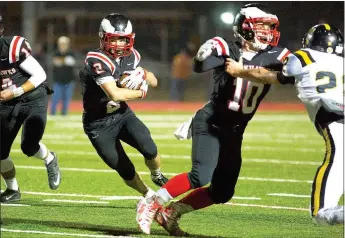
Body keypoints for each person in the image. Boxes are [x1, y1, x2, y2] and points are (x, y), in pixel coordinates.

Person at [136, 4, 291, 235]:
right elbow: (200, 66)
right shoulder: (225, 47)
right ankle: (151, 203)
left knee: (223, 191)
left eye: (269, 28)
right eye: (261, 27)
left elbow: (290, 75)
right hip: (212, 122)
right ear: (245, 28)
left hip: (235, 130)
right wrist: (202, 54)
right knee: (201, 175)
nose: (267, 33)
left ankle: (171, 212)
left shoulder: (277, 55)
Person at [225, 23, 344, 225]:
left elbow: (271, 76)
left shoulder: (303, 57)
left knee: (322, 212)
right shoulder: (341, 62)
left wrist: (240, 71)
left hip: (335, 117)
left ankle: (325, 210)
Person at [79, 13, 169, 204]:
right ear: (103, 37)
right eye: (115, 39)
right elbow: (115, 94)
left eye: (123, 40)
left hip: (122, 114)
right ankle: (147, 194)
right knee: (123, 167)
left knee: (149, 148)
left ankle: (157, 174)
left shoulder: (133, 56)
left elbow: (154, 81)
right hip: (98, 123)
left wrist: (143, 74)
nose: (119, 45)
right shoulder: (96, 59)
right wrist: (140, 93)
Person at [0, 15, 61, 203]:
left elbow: (40, 75)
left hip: (33, 97)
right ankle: (13, 189)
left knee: (28, 146)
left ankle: (50, 159)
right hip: (7, 102)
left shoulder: (12, 48)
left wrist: (15, 91)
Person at [50, 36, 76, 115]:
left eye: (64, 43)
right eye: (61, 43)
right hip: (58, 80)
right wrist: (65, 60)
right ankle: (52, 113)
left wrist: (61, 61)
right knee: (55, 98)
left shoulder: (71, 53)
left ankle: (64, 113)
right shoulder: (56, 53)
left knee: (66, 99)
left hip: (69, 80)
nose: (62, 45)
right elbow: (56, 62)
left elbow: (71, 62)